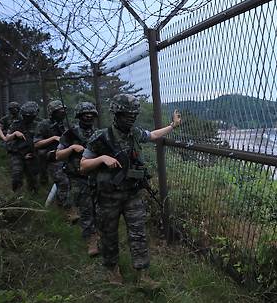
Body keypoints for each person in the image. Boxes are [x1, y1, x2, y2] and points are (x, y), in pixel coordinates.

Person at [80, 94, 181, 287]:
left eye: (133, 115)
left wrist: (172, 125)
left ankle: (143, 276)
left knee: (138, 233)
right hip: (108, 196)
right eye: (127, 115)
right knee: (109, 234)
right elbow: (83, 165)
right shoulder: (101, 137)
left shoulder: (134, 133)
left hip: (132, 194)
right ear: (117, 114)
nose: (131, 119)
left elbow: (152, 135)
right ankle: (112, 270)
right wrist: (102, 159)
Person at [56, 102, 100, 256]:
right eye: (85, 114)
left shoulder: (99, 133)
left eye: (91, 114)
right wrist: (71, 148)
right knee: (86, 209)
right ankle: (91, 240)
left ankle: (100, 235)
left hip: (97, 177)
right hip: (78, 178)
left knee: (99, 210)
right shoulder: (70, 134)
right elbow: (58, 155)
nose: (88, 116)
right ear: (79, 116)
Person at [35, 100, 73, 220]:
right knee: (63, 182)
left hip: (65, 157)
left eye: (63, 110)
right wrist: (53, 138)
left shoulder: (65, 125)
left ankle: (55, 207)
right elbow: (36, 144)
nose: (63, 112)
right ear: (53, 112)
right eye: (59, 110)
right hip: (51, 158)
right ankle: (65, 212)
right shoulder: (44, 124)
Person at [4, 101, 40, 194]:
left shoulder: (38, 125)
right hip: (17, 153)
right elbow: (7, 138)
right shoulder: (16, 124)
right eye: (26, 116)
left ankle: (33, 197)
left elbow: (40, 141)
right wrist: (15, 134)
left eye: (31, 116)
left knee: (33, 179)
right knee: (17, 175)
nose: (28, 118)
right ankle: (16, 196)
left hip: (32, 154)